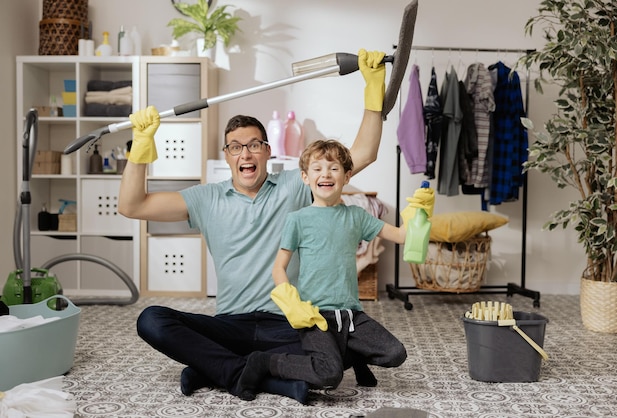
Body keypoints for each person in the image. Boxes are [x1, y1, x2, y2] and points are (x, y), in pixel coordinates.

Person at [118, 49, 390, 404]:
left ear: (267, 151)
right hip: (231, 324)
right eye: (235, 147)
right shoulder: (206, 198)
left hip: (288, 324)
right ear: (227, 155)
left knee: (341, 347)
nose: (245, 154)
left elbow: (363, 153)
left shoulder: (295, 185)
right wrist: (140, 148)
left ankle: (213, 369)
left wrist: (373, 92)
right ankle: (247, 374)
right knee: (152, 320)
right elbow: (131, 205)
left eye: (253, 145)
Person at [234, 139, 434, 400]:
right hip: (315, 316)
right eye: (317, 169)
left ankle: (353, 355)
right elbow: (278, 268)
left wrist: (421, 213)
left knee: (395, 353)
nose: (325, 174)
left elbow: (401, 235)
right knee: (329, 375)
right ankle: (264, 362)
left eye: (334, 169)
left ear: (347, 176)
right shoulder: (298, 219)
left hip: (351, 315)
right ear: (305, 177)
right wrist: (292, 303)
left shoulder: (357, 216)